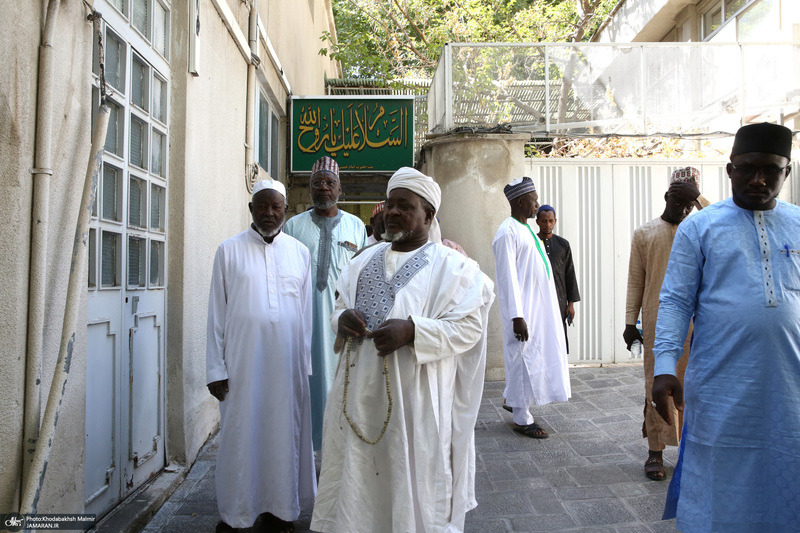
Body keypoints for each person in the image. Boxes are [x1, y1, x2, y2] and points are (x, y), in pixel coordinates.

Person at [310, 167, 495, 533]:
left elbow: (470, 327)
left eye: (404, 206)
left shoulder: (456, 268)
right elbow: (338, 306)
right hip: (357, 400)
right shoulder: (361, 260)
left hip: (417, 404)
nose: (393, 212)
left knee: (413, 481)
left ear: (428, 215)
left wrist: (414, 331)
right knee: (357, 482)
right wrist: (340, 320)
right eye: (390, 204)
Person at [653, 123, 799, 531]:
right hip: (722, 386)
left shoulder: (799, 223)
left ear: (786, 171)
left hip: (791, 386)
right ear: (730, 168)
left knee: (788, 470)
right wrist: (665, 365)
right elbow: (676, 300)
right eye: (748, 168)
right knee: (720, 475)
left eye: (771, 170)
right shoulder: (700, 228)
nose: (758, 179)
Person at [206, 179, 316, 533]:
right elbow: (216, 315)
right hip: (242, 366)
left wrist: (305, 366)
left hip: (287, 368)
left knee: (285, 437)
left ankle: (281, 511)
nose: (270, 213)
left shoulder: (299, 252)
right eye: (263, 206)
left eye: (277, 207)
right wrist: (215, 369)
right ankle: (238, 515)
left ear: (286, 210)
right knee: (240, 437)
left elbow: (307, 315)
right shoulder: (228, 251)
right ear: (251, 209)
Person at [624, 168, 709, 481]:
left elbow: (723, 223)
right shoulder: (645, 233)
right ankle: (655, 452)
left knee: (694, 387)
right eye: (678, 200)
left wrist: (697, 198)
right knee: (655, 384)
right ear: (666, 197)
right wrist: (629, 322)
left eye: (689, 203)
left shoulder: (702, 230)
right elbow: (636, 280)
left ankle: (691, 452)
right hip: (657, 322)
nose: (683, 208)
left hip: (698, 325)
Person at [284, 156, 368, 450]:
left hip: (342, 326)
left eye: (329, 182)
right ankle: (307, 454)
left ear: (340, 189)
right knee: (306, 390)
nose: (323, 187)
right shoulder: (292, 227)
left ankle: (339, 454)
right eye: (317, 182)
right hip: (302, 324)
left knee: (342, 387)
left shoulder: (357, 227)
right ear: (309, 188)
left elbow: (364, 276)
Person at [492, 177, 571, 439]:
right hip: (523, 312)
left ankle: (513, 399)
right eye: (533, 199)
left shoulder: (524, 228)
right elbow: (507, 278)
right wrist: (517, 316)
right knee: (521, 360)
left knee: (529, 359)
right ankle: (522, 418)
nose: (537, 204)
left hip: (537, 309)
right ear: (519, 201)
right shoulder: (507, 232)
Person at [535, 205, 580, 352]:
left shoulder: (563, 245)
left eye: (550, 221)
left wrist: (571, 304)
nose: (547, 224)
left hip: (559, 301)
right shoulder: (532, 243)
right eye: (544, 221)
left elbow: (569, 274)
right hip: (538, 300)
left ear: (555, 221)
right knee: (539, 338)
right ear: (537, 222)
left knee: (558, 339)